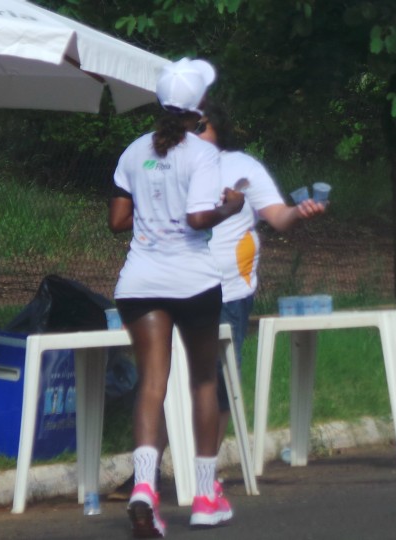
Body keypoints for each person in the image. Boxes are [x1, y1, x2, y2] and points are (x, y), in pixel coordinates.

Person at [109, 57, 244, 538]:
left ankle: (144, 487)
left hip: (140, 281)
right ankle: (206, 498)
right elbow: (197, 219)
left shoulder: (133, 151)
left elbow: (118, 220)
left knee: (151, 381)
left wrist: (151, 204)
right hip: (192, 280)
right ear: (199, 108)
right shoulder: (203, 155)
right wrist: (232, 205)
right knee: (204, 382)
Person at [194, 102, 327, 449]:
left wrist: (299, 212)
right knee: (170, 379)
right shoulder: (168, 167)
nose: (191, 133)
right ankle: (149, 473)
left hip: (227, 292)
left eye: (200, 126)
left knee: (219, 381)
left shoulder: (240, 166)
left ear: (218, 131)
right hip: (176, 289)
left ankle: (201, 469)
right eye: (185, 126)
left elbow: (278, 217)